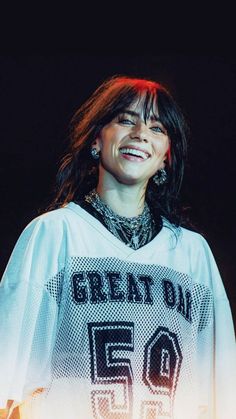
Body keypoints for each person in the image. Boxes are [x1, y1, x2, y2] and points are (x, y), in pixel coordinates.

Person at [0, 75, 235, 419]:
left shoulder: (192, 255)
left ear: (166, 157)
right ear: (97, 138)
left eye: (157, 127)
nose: (140, 134)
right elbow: (7, 378)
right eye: (126, 120)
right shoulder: (55, 235)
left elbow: (221, 397)